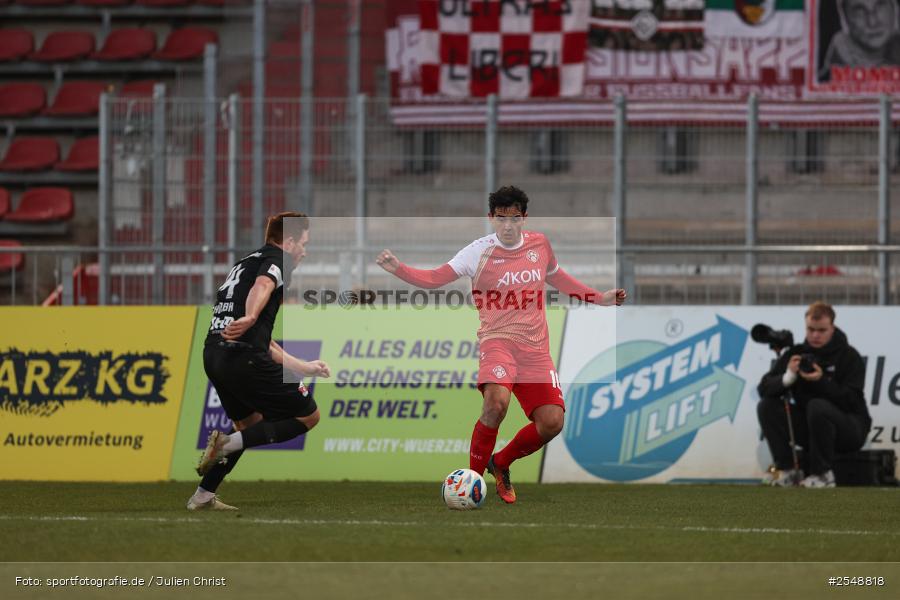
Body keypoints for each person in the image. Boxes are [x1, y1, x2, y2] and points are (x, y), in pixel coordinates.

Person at [376, 186, 626, 503]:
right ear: (491, 218)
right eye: (501, 218)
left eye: (515, 218)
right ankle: (472, 484)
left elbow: (558, 277)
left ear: (524, 218)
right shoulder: (477, 252)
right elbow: (435, 278)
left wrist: (600, 298)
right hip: (499, 343)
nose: (508, 225)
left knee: (552, 422)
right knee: (496, 404)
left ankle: (501, 463)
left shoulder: (540, 245)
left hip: (535, 350)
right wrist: (399, 269)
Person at [187, 212, 331, 511]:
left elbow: (264, 340)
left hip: (214, 354)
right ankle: (227, 444)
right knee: (309, 416)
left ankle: (202, 495)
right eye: (303, 243)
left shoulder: (245, 262)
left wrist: (303, 367)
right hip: (242, 356)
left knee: (248, 424)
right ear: (289, 241)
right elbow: (263, 286)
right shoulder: (280, 260)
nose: (304, 250)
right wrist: (251, 315)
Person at [757, 302, 870, 489]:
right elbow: (763, 388)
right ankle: (787, 470)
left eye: (822, 330)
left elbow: (851, 400)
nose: (815, 335)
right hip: (812, 428)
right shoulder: (797, 354)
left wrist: (821, 381)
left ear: (832, 328)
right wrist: (787, 377)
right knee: (767, 406)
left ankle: (822, 474)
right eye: (811, 329)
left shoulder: (849, 356)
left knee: (817, 405)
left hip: (850, 428)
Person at [819, 0, 900, 81]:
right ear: (845, 18)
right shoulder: (829, 78)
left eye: (880, 5)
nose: (872, 22)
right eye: (859, 11)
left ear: (894, 8)